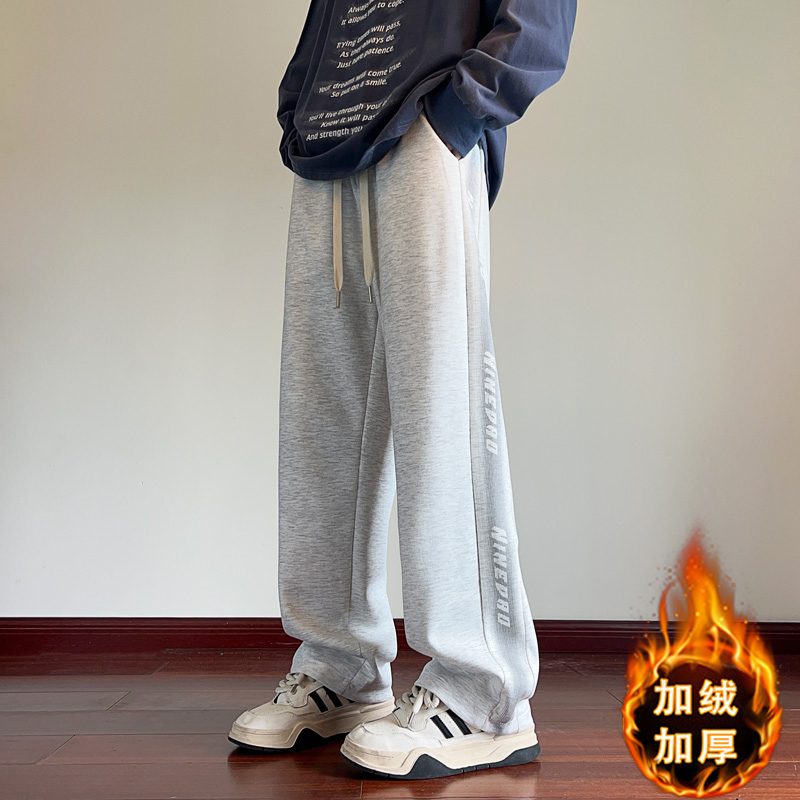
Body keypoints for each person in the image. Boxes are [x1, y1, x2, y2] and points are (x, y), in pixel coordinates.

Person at [229, 0, 578, 780]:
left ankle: (484, 691)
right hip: (331, 144)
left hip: (429, 128)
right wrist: (300, 105)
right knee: (321, 417)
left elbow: (540, 16)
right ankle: (341, 664)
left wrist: (456, 114)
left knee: (440, 411)